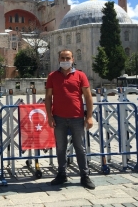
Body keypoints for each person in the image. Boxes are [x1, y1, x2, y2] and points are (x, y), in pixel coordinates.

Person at [45, 49, 95, 190]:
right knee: (61, 148)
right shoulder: (52, 76)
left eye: (68, 58)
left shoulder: (80, 75)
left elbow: (88, 96)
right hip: (59, 118)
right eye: (62, 57)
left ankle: (84, 175)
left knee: (80, 148)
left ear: (73, 59)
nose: (65, 60)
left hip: (77, 117)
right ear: (58, 59)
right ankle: (62, 174)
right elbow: (48, 98)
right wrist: (49, 116)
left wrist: (89, 116)